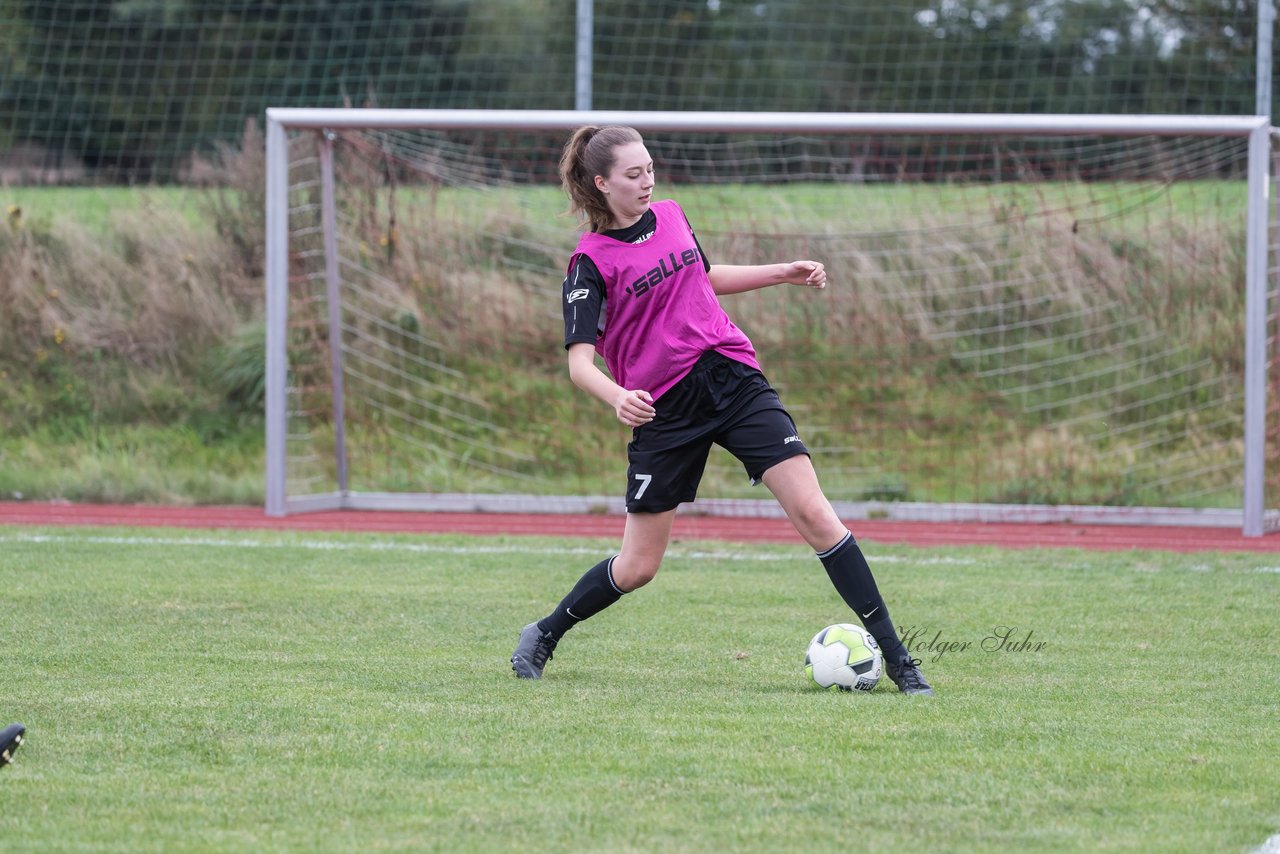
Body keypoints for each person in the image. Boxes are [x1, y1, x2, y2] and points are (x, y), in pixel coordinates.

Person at [511, 125, 933, 695]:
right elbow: (579, 363)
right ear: (600, 183)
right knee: (638, 568)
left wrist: (782, 272)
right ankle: (544, 632)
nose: (647, 181)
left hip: (732, 377)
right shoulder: (588, 263)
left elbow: (703, 279)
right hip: (664, 408)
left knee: (815, 514)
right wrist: (619, 397)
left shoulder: (673, 215)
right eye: (633, 175)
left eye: (650, 168)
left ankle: (902, 662)